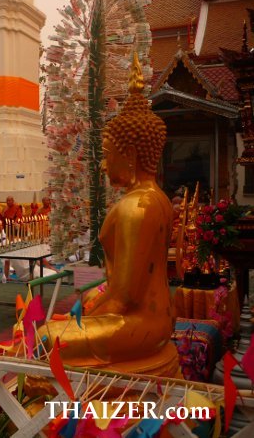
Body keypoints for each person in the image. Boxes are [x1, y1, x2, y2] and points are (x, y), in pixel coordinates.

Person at [39, 56, 177, 375]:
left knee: (45, 337)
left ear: (128, 153)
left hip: (138, 324)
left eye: (108, 153)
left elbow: (124, 298)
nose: (103, 164)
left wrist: (82, 319)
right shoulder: (160, 199)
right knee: (75, 313)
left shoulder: (136, 207)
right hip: (160, 318)